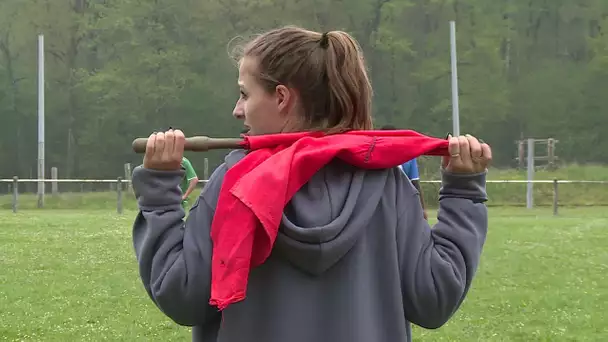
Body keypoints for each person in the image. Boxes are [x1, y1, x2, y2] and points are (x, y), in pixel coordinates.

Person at [131, 26, 491, 342]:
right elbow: (434, 298)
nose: (237, 110)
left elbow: (182, 294)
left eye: (244, 94)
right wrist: (463, 190)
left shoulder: (237, 181)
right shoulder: (386, 184)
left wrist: (160, 194)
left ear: (282, 98)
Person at [381, 124, 428, 220]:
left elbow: (415, 183)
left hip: (401, 204)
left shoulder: (408, 156)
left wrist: (422, 209)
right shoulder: (375, 156)